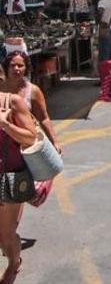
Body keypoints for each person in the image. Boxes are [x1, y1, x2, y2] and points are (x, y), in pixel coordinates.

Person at [1, 51, 62, 219]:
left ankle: (11, 231)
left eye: (20, 65)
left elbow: (44, 118)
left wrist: (54, 141)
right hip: (4, 147)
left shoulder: (32, 91)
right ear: (6, 68)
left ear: (26, 68)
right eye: (12, 65)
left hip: (25, 147)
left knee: (17, 187)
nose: (16, 68)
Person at [0, 82, 37, 284]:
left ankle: (14, 263)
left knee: (5, 237)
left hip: (7, 178)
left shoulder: (11, 102)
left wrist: (5, 124)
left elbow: (30, 137)